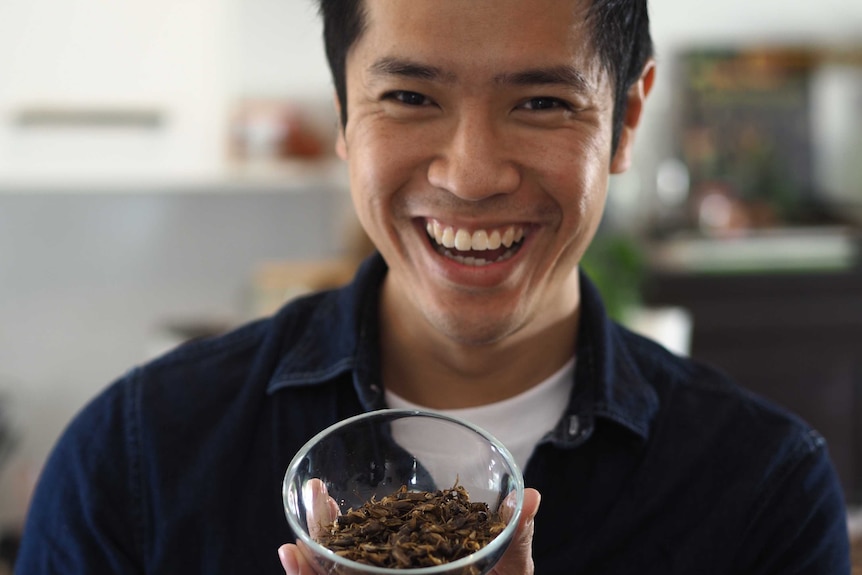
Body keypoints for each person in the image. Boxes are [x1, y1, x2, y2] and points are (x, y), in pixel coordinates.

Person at [16, 1, 851, 573]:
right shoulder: (133, 463)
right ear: (345, 113)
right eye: (410, 96)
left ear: (626, 119)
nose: (472, 174)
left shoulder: (762, 495)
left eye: (543, 102)